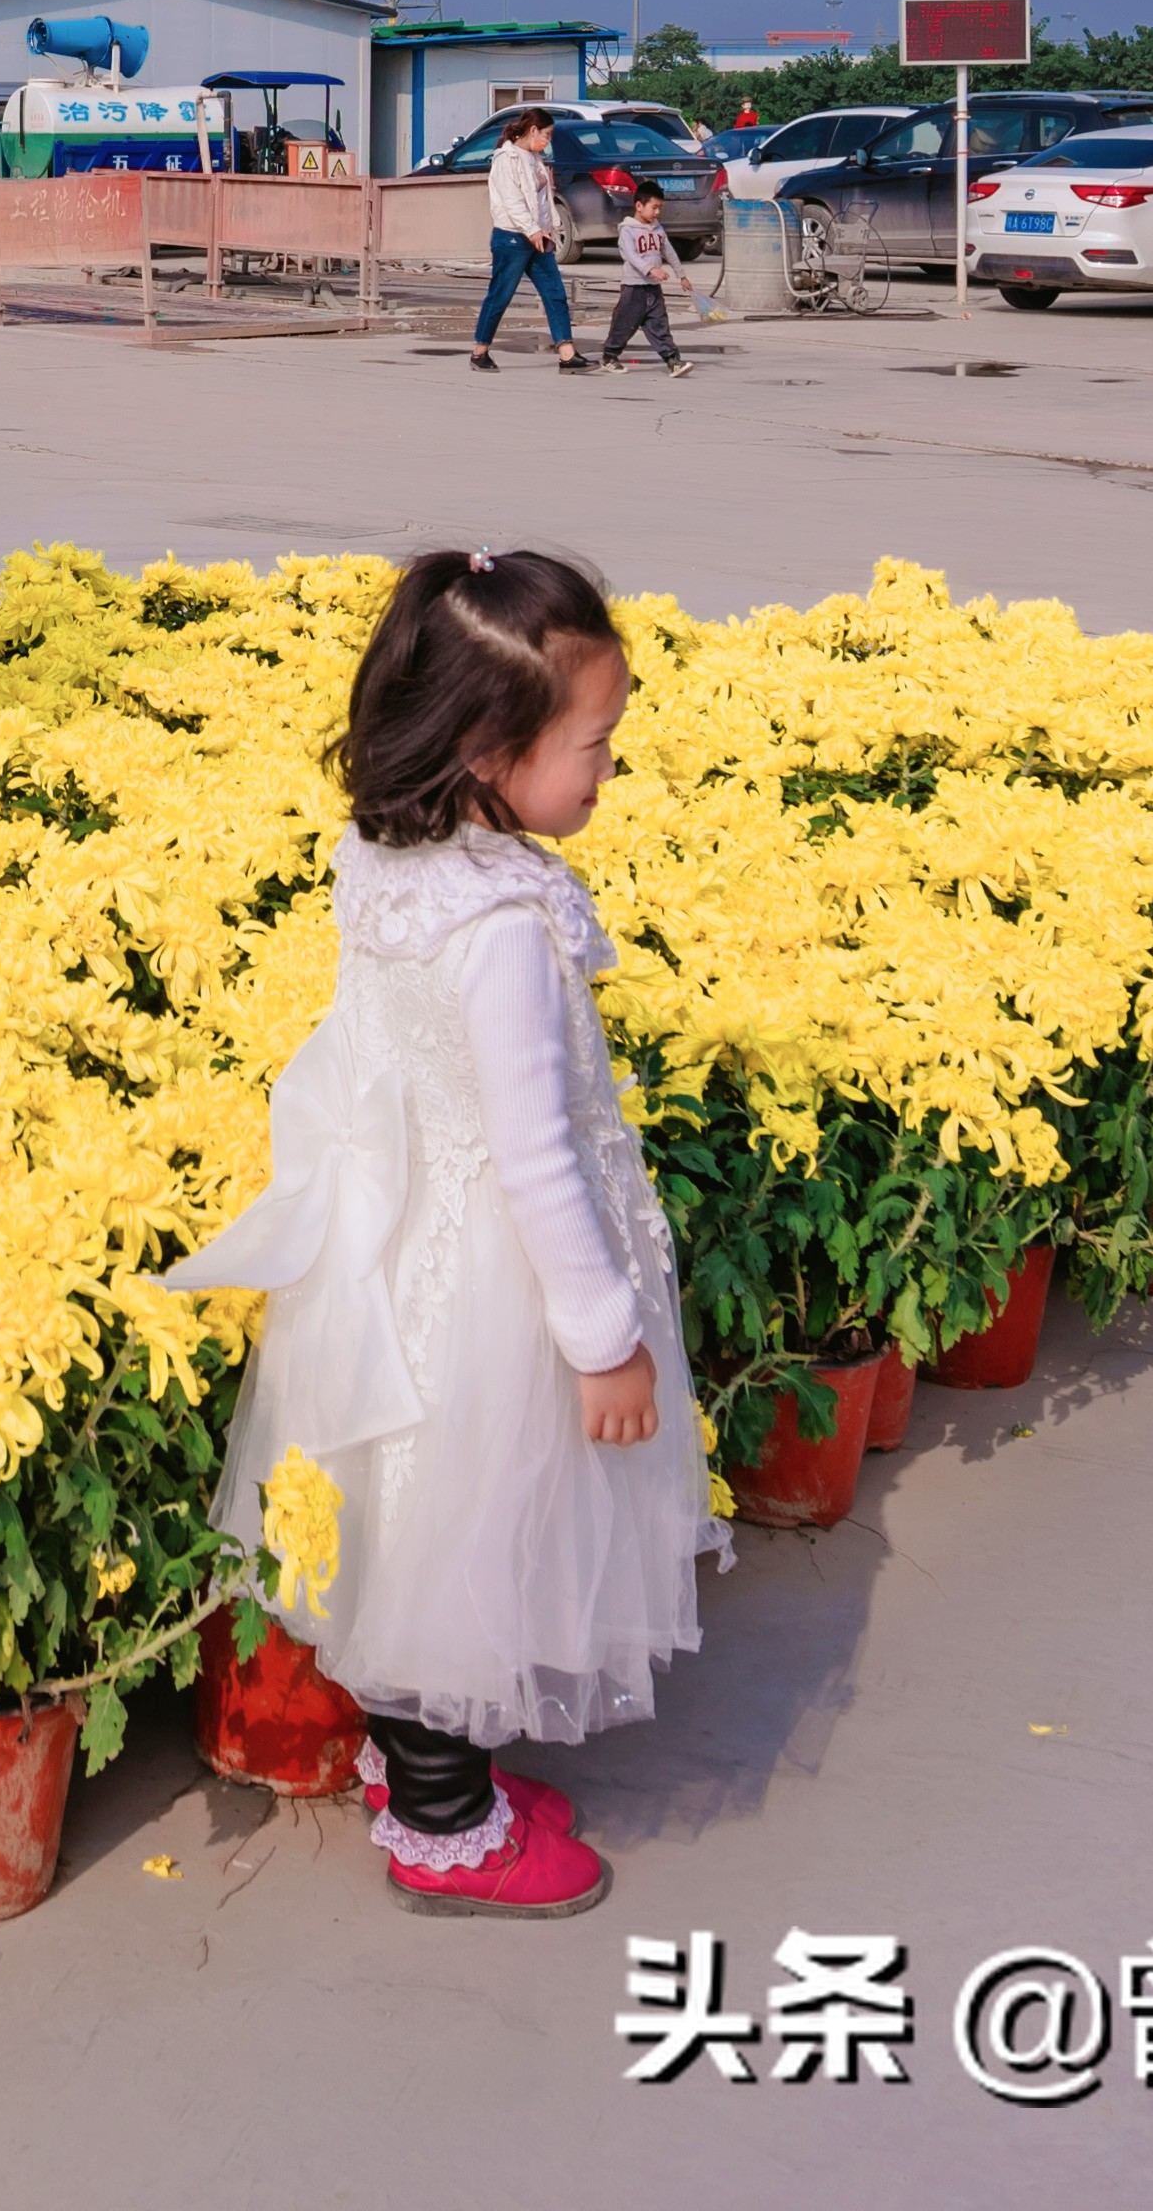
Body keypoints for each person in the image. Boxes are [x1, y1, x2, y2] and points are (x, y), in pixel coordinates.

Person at [171, 549, 718, 1918]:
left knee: (420, 1531)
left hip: (408, 1244)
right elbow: (536, 1157)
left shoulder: (394, 861)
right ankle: (442, 1818)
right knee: (476, 1545)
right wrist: (603, 1342)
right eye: (595, 744)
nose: (609, 771)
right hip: (503, 1285)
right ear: (490, 746)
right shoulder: (505, 933)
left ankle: (433, 1768)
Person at [466, 104, 582, 372]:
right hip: (513, 238)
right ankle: (479, 352)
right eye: (547, 134)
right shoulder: (506, 159)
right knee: (500, 295)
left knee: (555, 294)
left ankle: (567, 355)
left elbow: (543, 202)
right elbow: (513, 201)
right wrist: (531, 230)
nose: (548, 141)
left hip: (538, 238)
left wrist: (548, 229)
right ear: (533, 130)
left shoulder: (535, 159)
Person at [593, 170, 688, 376]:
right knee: (624, 324)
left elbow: (668, 251)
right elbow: (632, 256)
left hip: (653, 288)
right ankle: (609, 356)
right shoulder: (627, 230)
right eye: (654, 207)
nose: (657, 213)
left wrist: (681, 275)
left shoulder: (657, 229)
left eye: (659, 208)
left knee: (659, 324)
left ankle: (673, 359)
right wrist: (651, 269)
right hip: (634, 287)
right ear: (639, 206)